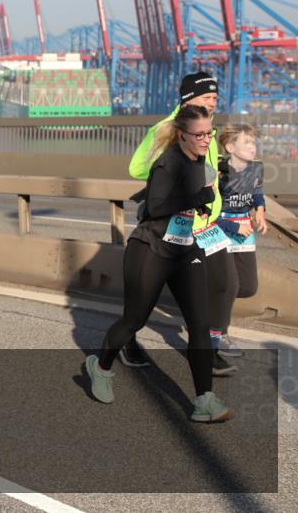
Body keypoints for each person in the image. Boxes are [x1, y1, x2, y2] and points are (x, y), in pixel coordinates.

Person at [85, 105, 233, 423]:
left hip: (184, 249)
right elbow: (155, 206)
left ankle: (204, 400)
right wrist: (196, 200)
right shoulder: (168, 163)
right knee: (134, 320)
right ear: (182, 135)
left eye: (210, 133)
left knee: (199, 322)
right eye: (200, 134)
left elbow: (202, 198)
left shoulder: (199, 162)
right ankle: (100, 366)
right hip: (151, 248)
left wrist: (213, 196)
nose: (207, 139)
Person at [127, 71, 236, 376]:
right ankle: (127, 339)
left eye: (215, 97)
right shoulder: (168, 128)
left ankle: (208, 351)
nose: (213, 102)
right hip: (177, 224)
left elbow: (206, 169)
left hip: (206, 222)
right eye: (207, 97)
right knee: (146, 300)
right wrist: (171, 166)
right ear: (189, 98)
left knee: (222, 285)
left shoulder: (206, 127)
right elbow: (136, 167)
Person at [214, 124, 267, 357]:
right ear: (229, 147)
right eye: (246, 142)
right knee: (229, 285)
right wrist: (233, 225)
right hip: (221, 228)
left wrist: (260, 210)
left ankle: (211, 304)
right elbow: (208, 212)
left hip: (245, 229)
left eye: (253, 143)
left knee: (247, 286)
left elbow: (257, 191)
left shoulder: (256, 169)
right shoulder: (218, 172)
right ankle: (219, 333)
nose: (252, 147)